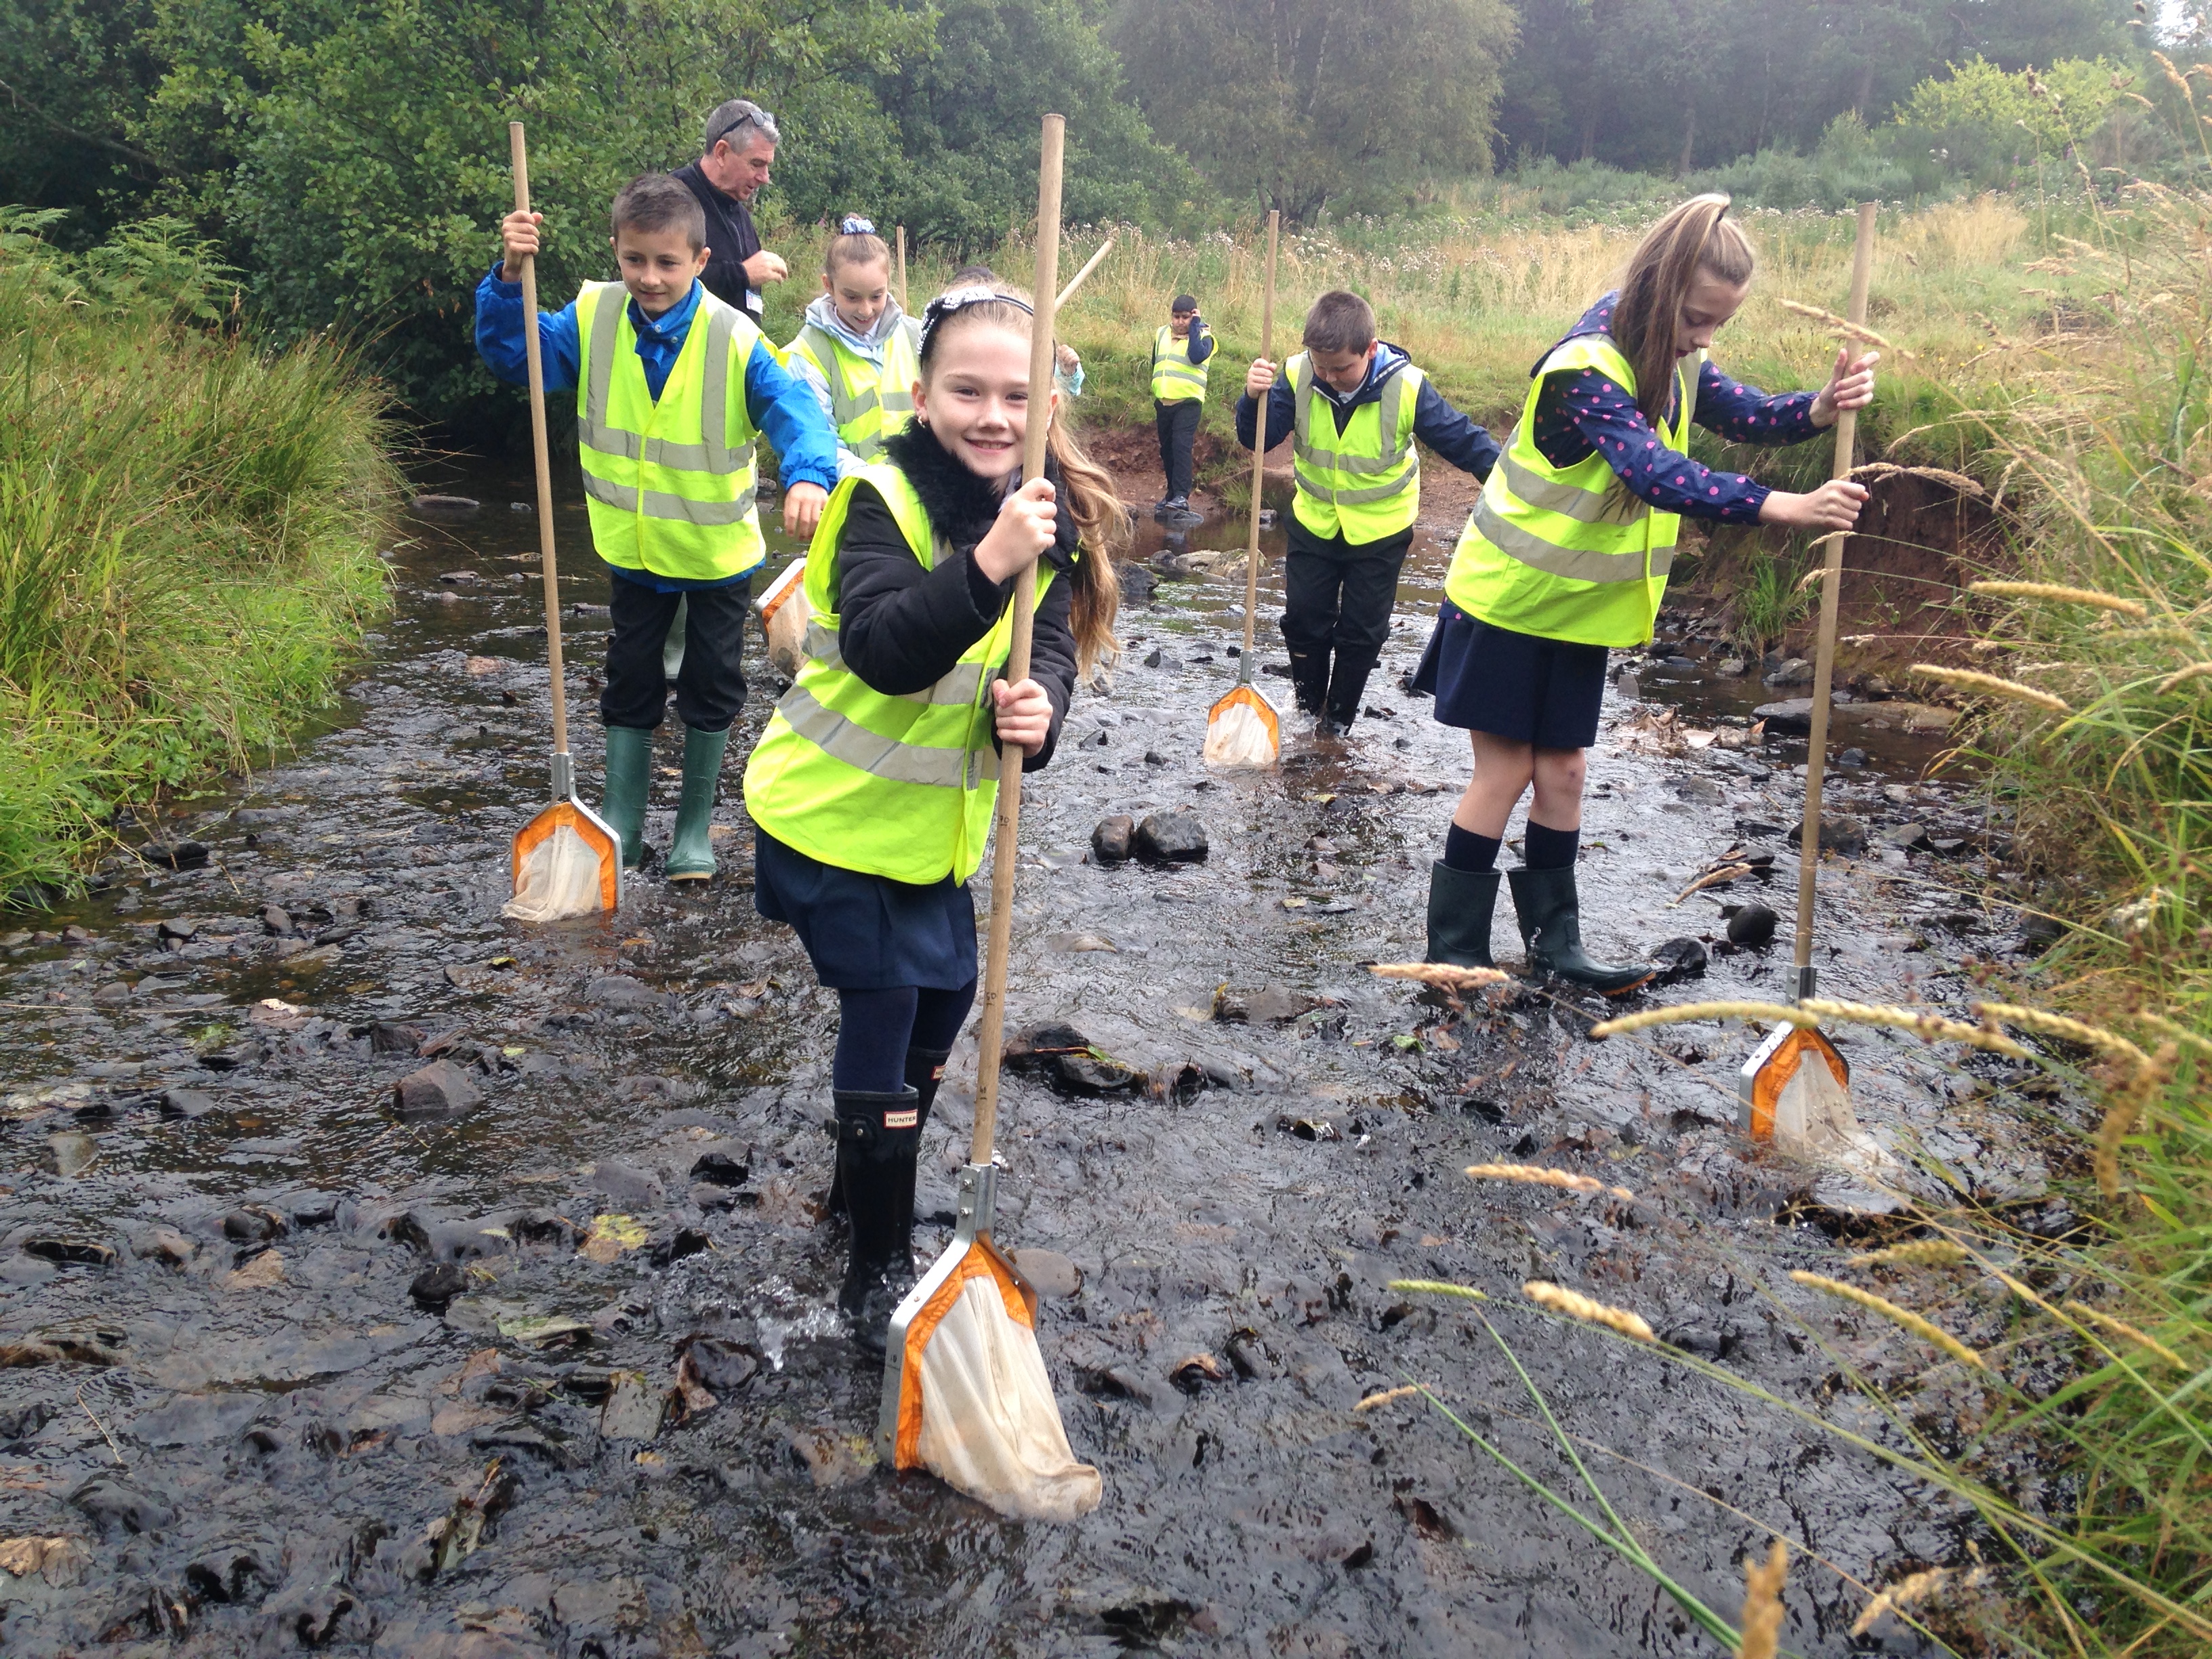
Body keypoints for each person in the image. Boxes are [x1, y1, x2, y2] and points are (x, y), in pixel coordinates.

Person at [742, 283, 1122, 1353]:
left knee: (945, 998)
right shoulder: (879, 497)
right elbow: (884, 649)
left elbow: (1048, 653)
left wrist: (1038, 714)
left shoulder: (1054, 519)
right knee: (888, 1001)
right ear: (921, 395)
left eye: (1014, 395)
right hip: (829, 817)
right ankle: (874, 1276)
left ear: (1047, 403)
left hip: (928, 838)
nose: (991, 415)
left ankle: (853, 1177)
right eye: (966, 391)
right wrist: (992, 560)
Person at [1415, 194, 1875, 994]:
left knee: (1564, 776)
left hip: (1576, 613)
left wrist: (1817, 408)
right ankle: (1454, 954)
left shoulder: (1674, 349)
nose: (1706, 339)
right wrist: (1784, 507)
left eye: (1718, 325)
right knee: (1506, 773)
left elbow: (1744, 414)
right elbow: (1650, 472)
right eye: (1699, 319)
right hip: (1505, 602)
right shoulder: (1585, 369)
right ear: (1663, 292)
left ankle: (1558, 947)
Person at [476, 173, 837, 883]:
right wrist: (507, 274)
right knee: (630, 682)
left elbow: (795, 410)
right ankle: (624, 823)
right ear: (616, 250)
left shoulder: (735, 338)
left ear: (700, 263)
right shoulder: (591, 318)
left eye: (667, 263)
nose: (649, 277)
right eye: (635, 260)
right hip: (633, 554)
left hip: (716, 559)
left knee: (711, 686)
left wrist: (805, 475)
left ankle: (694, 832)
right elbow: (515, 355)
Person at [1236, 290, 1500, 735]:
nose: (1330, 376)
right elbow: (1257, 439)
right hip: (1315, 522)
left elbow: (1466, 442)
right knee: (1304, 621)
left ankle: (1337, 724)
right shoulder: (1298, 374)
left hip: (1382, 529)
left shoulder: (1406, 385)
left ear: (1371, 350)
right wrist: (1251, 397)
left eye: (1342, 368)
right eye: (1322, 366)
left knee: (1361, 634)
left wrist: (1515, 486)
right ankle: (1306, 712)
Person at [783, 216, 926, 478]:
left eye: (876, 296)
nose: (866, 309)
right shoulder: (806, 353)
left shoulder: (916, 335)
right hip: (853, 494)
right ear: (829, 285)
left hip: (923, 488)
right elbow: (815, 436)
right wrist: (874, 484)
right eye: (852, 297)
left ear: (888, 284)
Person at [673, 99, 787, 324]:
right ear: (722, 153)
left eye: (767, 166)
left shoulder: (737, 209)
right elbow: (664, 279)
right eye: (756, 164)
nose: (765, 178)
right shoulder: (673, 199)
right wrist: (743, 274)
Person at [1151, 293, 1214, 518]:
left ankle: (1181, 496)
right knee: (1166, 450)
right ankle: (1171, 494)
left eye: (1185, 317)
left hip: (1188, 402)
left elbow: (1196, 357)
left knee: (1180, 447)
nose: (1179, 322)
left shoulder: (1206, 338)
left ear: (1194, 315)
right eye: (1176, 317)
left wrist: (1196, 326)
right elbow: (1155, 362)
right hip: (1164, 402)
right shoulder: (1161, 334)